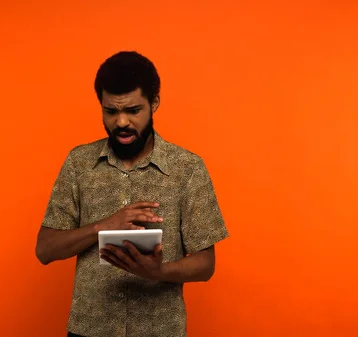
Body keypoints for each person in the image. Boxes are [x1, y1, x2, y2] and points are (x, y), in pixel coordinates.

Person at [35, 51, 229, 337]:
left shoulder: (187, 168)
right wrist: (102, 226)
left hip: (160, 330)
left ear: (154, 103)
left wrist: (158, 272)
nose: (121, 122)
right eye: (111, 111)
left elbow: (205, 264)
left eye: (133, 110)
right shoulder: (79, 163)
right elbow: (45, 249)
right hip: (89, 329)